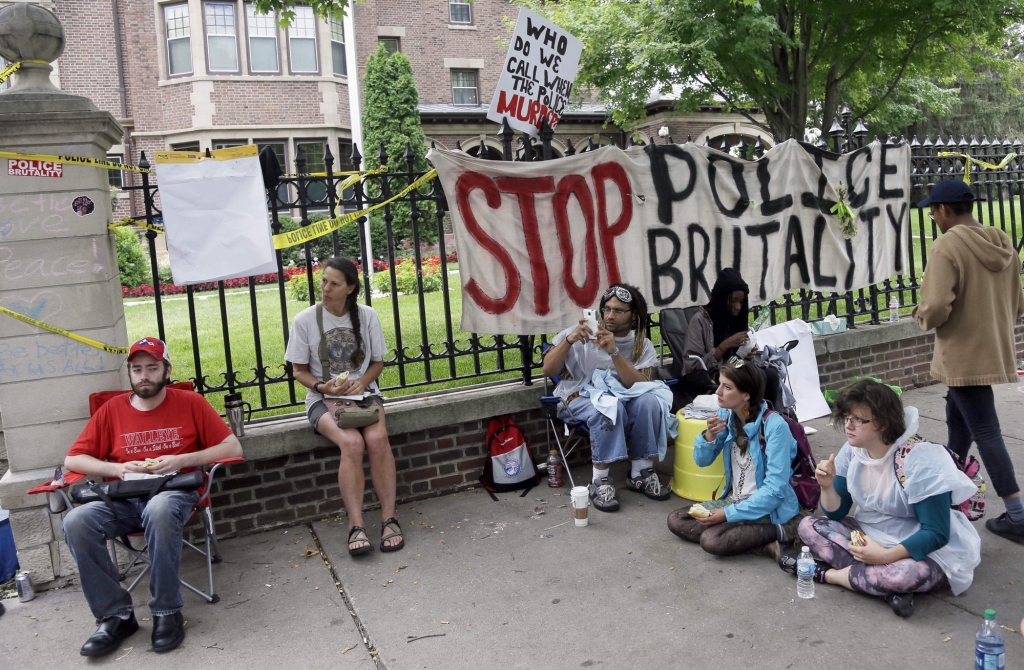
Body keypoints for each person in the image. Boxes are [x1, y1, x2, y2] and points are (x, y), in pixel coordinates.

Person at [62, 338, 243, 656]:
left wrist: (181, 460)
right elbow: (73, 461)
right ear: (129, 374)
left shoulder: (190, 403)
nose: (144, 375)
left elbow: (232, 448)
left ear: (166, 370)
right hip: (123, 498)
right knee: (77, 521)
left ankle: (166, 611)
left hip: (173, 493)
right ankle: (115, 615)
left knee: (159, 510)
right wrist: (114, 468)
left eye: (152, 368)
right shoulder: (112, 411)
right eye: (137, 369)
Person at [783, 379, 981, 618]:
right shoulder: (852, 450)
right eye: (847, 417)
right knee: (808, 525)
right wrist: (826, 487)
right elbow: (837, 512)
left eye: (859, 419)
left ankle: (829, 575)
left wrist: (885, 556)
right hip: (867, 534)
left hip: (920, 546)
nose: (849, 425)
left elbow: (936, 532)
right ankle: (881, 586)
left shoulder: (921, 459)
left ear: (884, 422)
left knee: (903, 575)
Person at [913, 178, 1024, 543]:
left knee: (987, 431)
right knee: (957, 420)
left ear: (944, 210)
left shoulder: (948, 245)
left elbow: (935, 306)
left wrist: (921, 316)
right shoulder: (1002, 242)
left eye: (933, 211)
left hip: (961, 354)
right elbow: (1018, 303)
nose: (933, 218)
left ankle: (1017, 515)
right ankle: (946, 491)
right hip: (992, 347)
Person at [285, 257, 403, 556]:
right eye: (324, 281)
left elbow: (378, 362)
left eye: (334, 283)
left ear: (350, 288)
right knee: (351, 443)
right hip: (322, 399)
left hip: (364, 395)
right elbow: (299, 371)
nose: (325, 288)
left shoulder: (366, 316)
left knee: (377, 439)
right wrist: (321, 387)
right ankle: (356, 524)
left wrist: (362, 382)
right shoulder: (305, 320)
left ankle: (389, 518)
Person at [542, 283, 676, 512]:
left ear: (634, 316)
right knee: (608, 406)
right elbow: (548, 370)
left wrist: (614, 352)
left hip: (624, 397)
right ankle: (600, 480)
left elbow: (640, 386)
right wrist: (569, 340)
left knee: (650, 401)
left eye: (618, 310)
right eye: (607, 309)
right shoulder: (579, 333)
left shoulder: (641, 345)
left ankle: (641, 472)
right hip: (578, 397)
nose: (609, 315)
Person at [667, 357, 801, 557]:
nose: (718, 392)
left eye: (727, 387)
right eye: (719, 384)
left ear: (746, 394)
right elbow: (702, 461)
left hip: (767, 507)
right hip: (734, 500)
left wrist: (726, 514)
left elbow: (775, 490)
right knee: (676, 519)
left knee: (711, 540)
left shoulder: (775, 426)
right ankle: (761, 544)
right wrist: (708, 437)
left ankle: (786, 530)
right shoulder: (727, 414)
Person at [680, 268, 751, 377]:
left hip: (734, 373)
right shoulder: (700, 321)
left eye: (741, 302)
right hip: (710, 377)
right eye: (733, 301)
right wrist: (725, 345)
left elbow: (735, 362)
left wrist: (746, 353)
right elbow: (693, 367)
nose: (738, 307)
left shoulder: (736, 319)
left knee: (770, 374)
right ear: (721, 299)